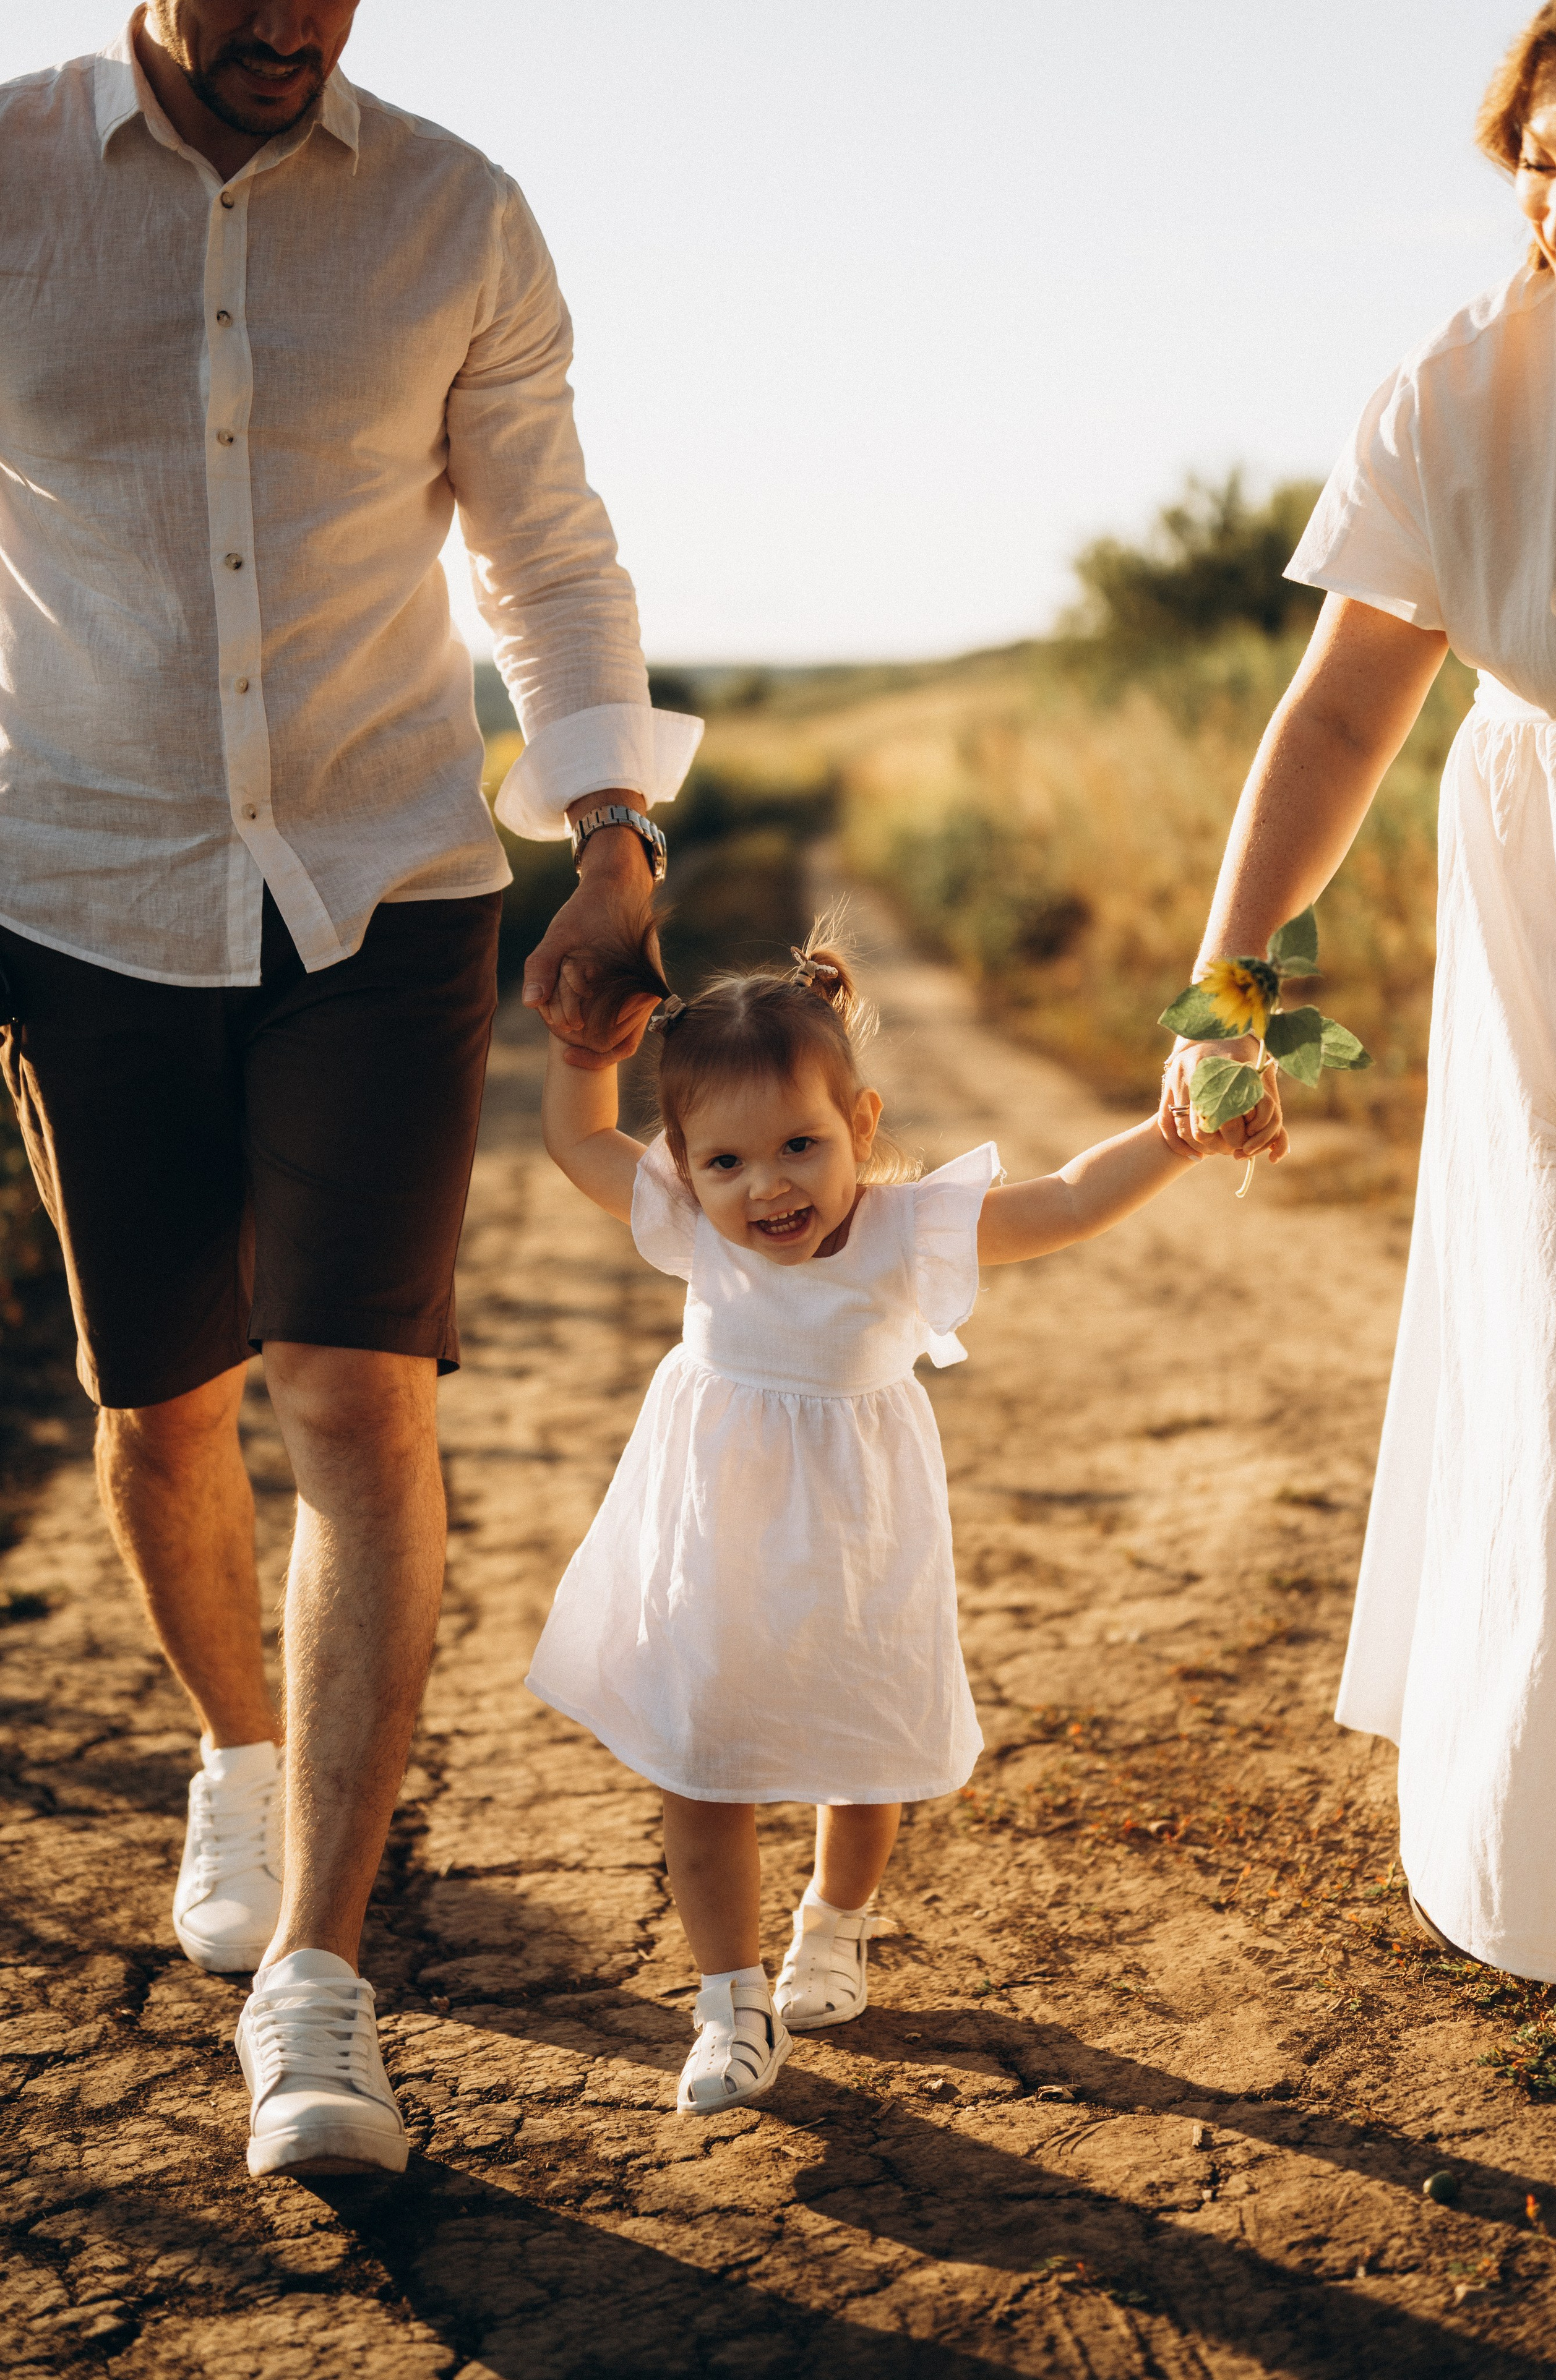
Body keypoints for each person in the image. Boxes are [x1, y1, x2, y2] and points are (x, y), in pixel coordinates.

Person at [0, 2, 698, 2178]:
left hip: (385, 888)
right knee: (160, 1402)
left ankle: (318, 1975)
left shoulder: (453, 213)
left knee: (353, 1389)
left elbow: (546, 552)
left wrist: (605, 829)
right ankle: (235, 1739)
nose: (294, 17)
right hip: (80, 879)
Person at [1158, 1, 1556, 1989]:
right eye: (1542, 159)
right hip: (1551, 872)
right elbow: (1337, 714)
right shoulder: (1457, 387)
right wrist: (1234, 995)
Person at [531, 927, 1226, 2113]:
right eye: (730, 1162)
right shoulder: (696, 1225)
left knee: (861, 1742)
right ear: (687, 1169)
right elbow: (581, 1140)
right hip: (716, 1530)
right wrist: (582, 1047)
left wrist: (1173, 1136)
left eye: (802, 1145)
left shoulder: (907, 1232)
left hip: (859, 1527)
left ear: (861, 1126)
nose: (771, 1186)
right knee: (702, 1761)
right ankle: (729, 2003)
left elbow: (1063, 1201)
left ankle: (834, 1925)